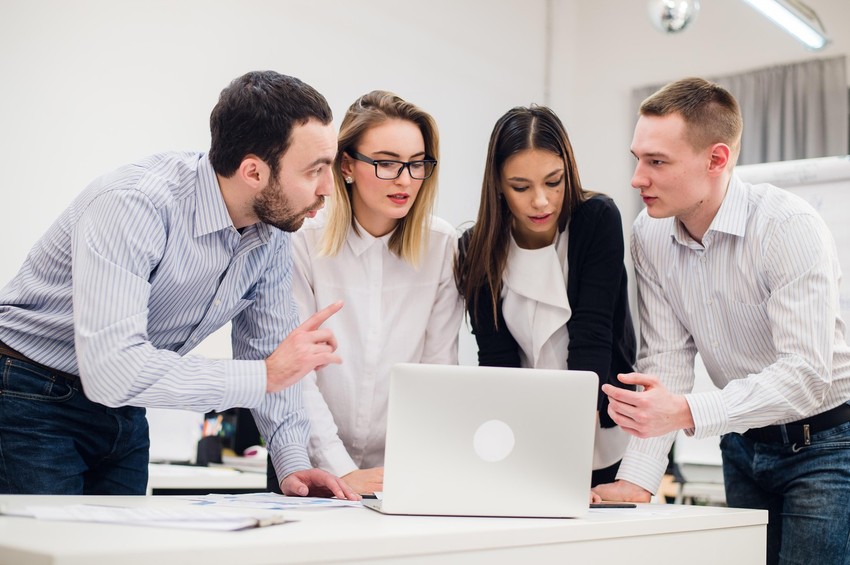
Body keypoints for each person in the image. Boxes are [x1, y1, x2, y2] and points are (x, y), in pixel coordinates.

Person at [0, 70, 358, 500]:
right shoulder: (134, 204)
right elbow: (114, 370)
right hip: (28, 393)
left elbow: (269, 352)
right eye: (315, 170)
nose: (328, 189)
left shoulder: (272, 234)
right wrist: (263, 375)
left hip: (125, 410)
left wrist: (293, 463)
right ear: (253, 171)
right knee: (51, 549)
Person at [595, 77, 850, 565]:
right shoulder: (648, 234)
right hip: (744, 446)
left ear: (716, 160)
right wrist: (639, 478)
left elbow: (807, 377)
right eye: (637, 157)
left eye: (657, 162)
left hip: (826, 445)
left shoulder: (787, 227)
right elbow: (666, 360)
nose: (636, 178)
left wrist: (689, 412)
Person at [265, 90, 463, 495]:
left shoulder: (442, 246)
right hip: (311, 466)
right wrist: (340, 468)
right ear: (348, 165)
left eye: (416, 164)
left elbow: (438, 372)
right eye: (387, 163)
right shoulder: (302, 241)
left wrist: (408, 471)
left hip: (398, 474)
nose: (405, 180)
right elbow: (298, 375)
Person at [454, 105, 637, 487]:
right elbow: (497, 361)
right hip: (522, 434)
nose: (541, 201)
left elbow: (593, 339)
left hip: (601, 431)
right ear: (499, 187)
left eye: (554, 182)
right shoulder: (477, 247)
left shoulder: (596, 220)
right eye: (521, 187)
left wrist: (568, 461)